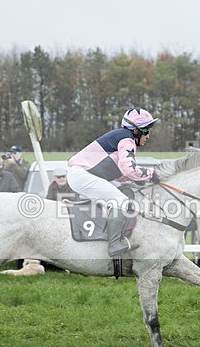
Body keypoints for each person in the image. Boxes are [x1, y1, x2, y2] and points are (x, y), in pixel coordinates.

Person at [67, 107, 159, 256]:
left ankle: (115, 234)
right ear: (136, 131)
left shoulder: (121, 137)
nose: (148, 136)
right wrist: (151, 173)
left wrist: (137, 179)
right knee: (120, 200)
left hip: (82, 174)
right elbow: (129, 168)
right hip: (82, 175)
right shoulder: (127, 139)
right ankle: (114, 244)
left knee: (123, 192)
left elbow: (120, 173)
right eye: (146, 131)